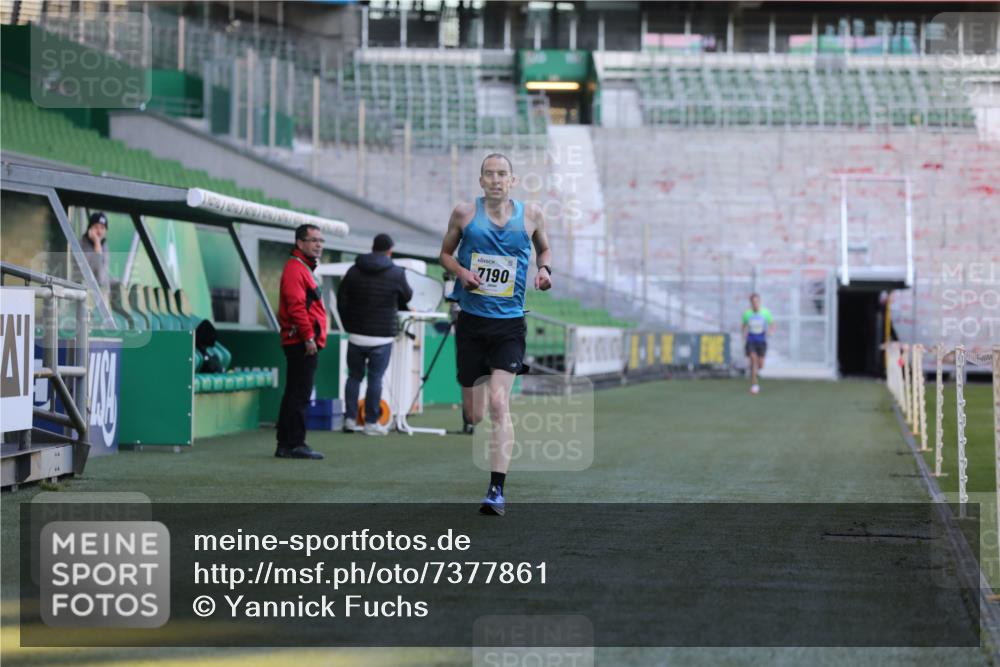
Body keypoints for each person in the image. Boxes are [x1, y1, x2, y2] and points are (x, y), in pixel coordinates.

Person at [439, 153, 552, 516]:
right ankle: (471, 412)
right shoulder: (464, 214)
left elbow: (544, 248)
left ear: (513, 181)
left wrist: (544, 270)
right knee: (473, 415)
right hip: (471, 321)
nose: (496, 179)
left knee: (499, 405)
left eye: (502, 174)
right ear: (481, 181)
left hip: (509, 326)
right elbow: (444, 254)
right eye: (489, 174)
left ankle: (496, 491)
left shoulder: (531, 214)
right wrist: (461, 271)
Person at [336, 233, 413, 436]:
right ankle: (371, 422)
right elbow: (408, 296)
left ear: (372, 247)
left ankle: (350, 420)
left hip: (356, 335)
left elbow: (341, 299)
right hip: (382, 336)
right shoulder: (396, 273)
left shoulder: (354, 270)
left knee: (353, 377)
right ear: (390, 251)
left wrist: (348, 325)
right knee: (375, 379)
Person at [275, 224, 328, 460]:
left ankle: (285, 444)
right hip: (301, 340)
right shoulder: (296, 269)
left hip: (299, 339)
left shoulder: (301, 268)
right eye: (313, 240)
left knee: (294, 393)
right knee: (300, 394)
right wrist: (308, 337)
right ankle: (296, 443)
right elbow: (296, 306)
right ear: (299, 243)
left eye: (321, 240)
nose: (318, 244)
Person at [741, 293, 774, 395]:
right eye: (753, 302)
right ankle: (754, 385)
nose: (755, 304)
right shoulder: (747, 314)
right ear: (751, 303)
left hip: (761, 341)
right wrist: (743, 334)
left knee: (760, 364)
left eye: (757, 302)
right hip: (751, 340)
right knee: (753, 359)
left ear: (759, 302)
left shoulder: (765, 313)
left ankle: (755, 370)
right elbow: (744, 325)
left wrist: (770, 331)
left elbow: (772, 323)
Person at [80, 212, 111, 296]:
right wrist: (97, 242)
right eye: (96, 227)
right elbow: (98, 275)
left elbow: (104, 273)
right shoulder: (81, 246)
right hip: (88, 297)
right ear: (90, 229)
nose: (99, 231)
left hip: (102, 296)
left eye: (102, 228)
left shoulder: (104, 245)